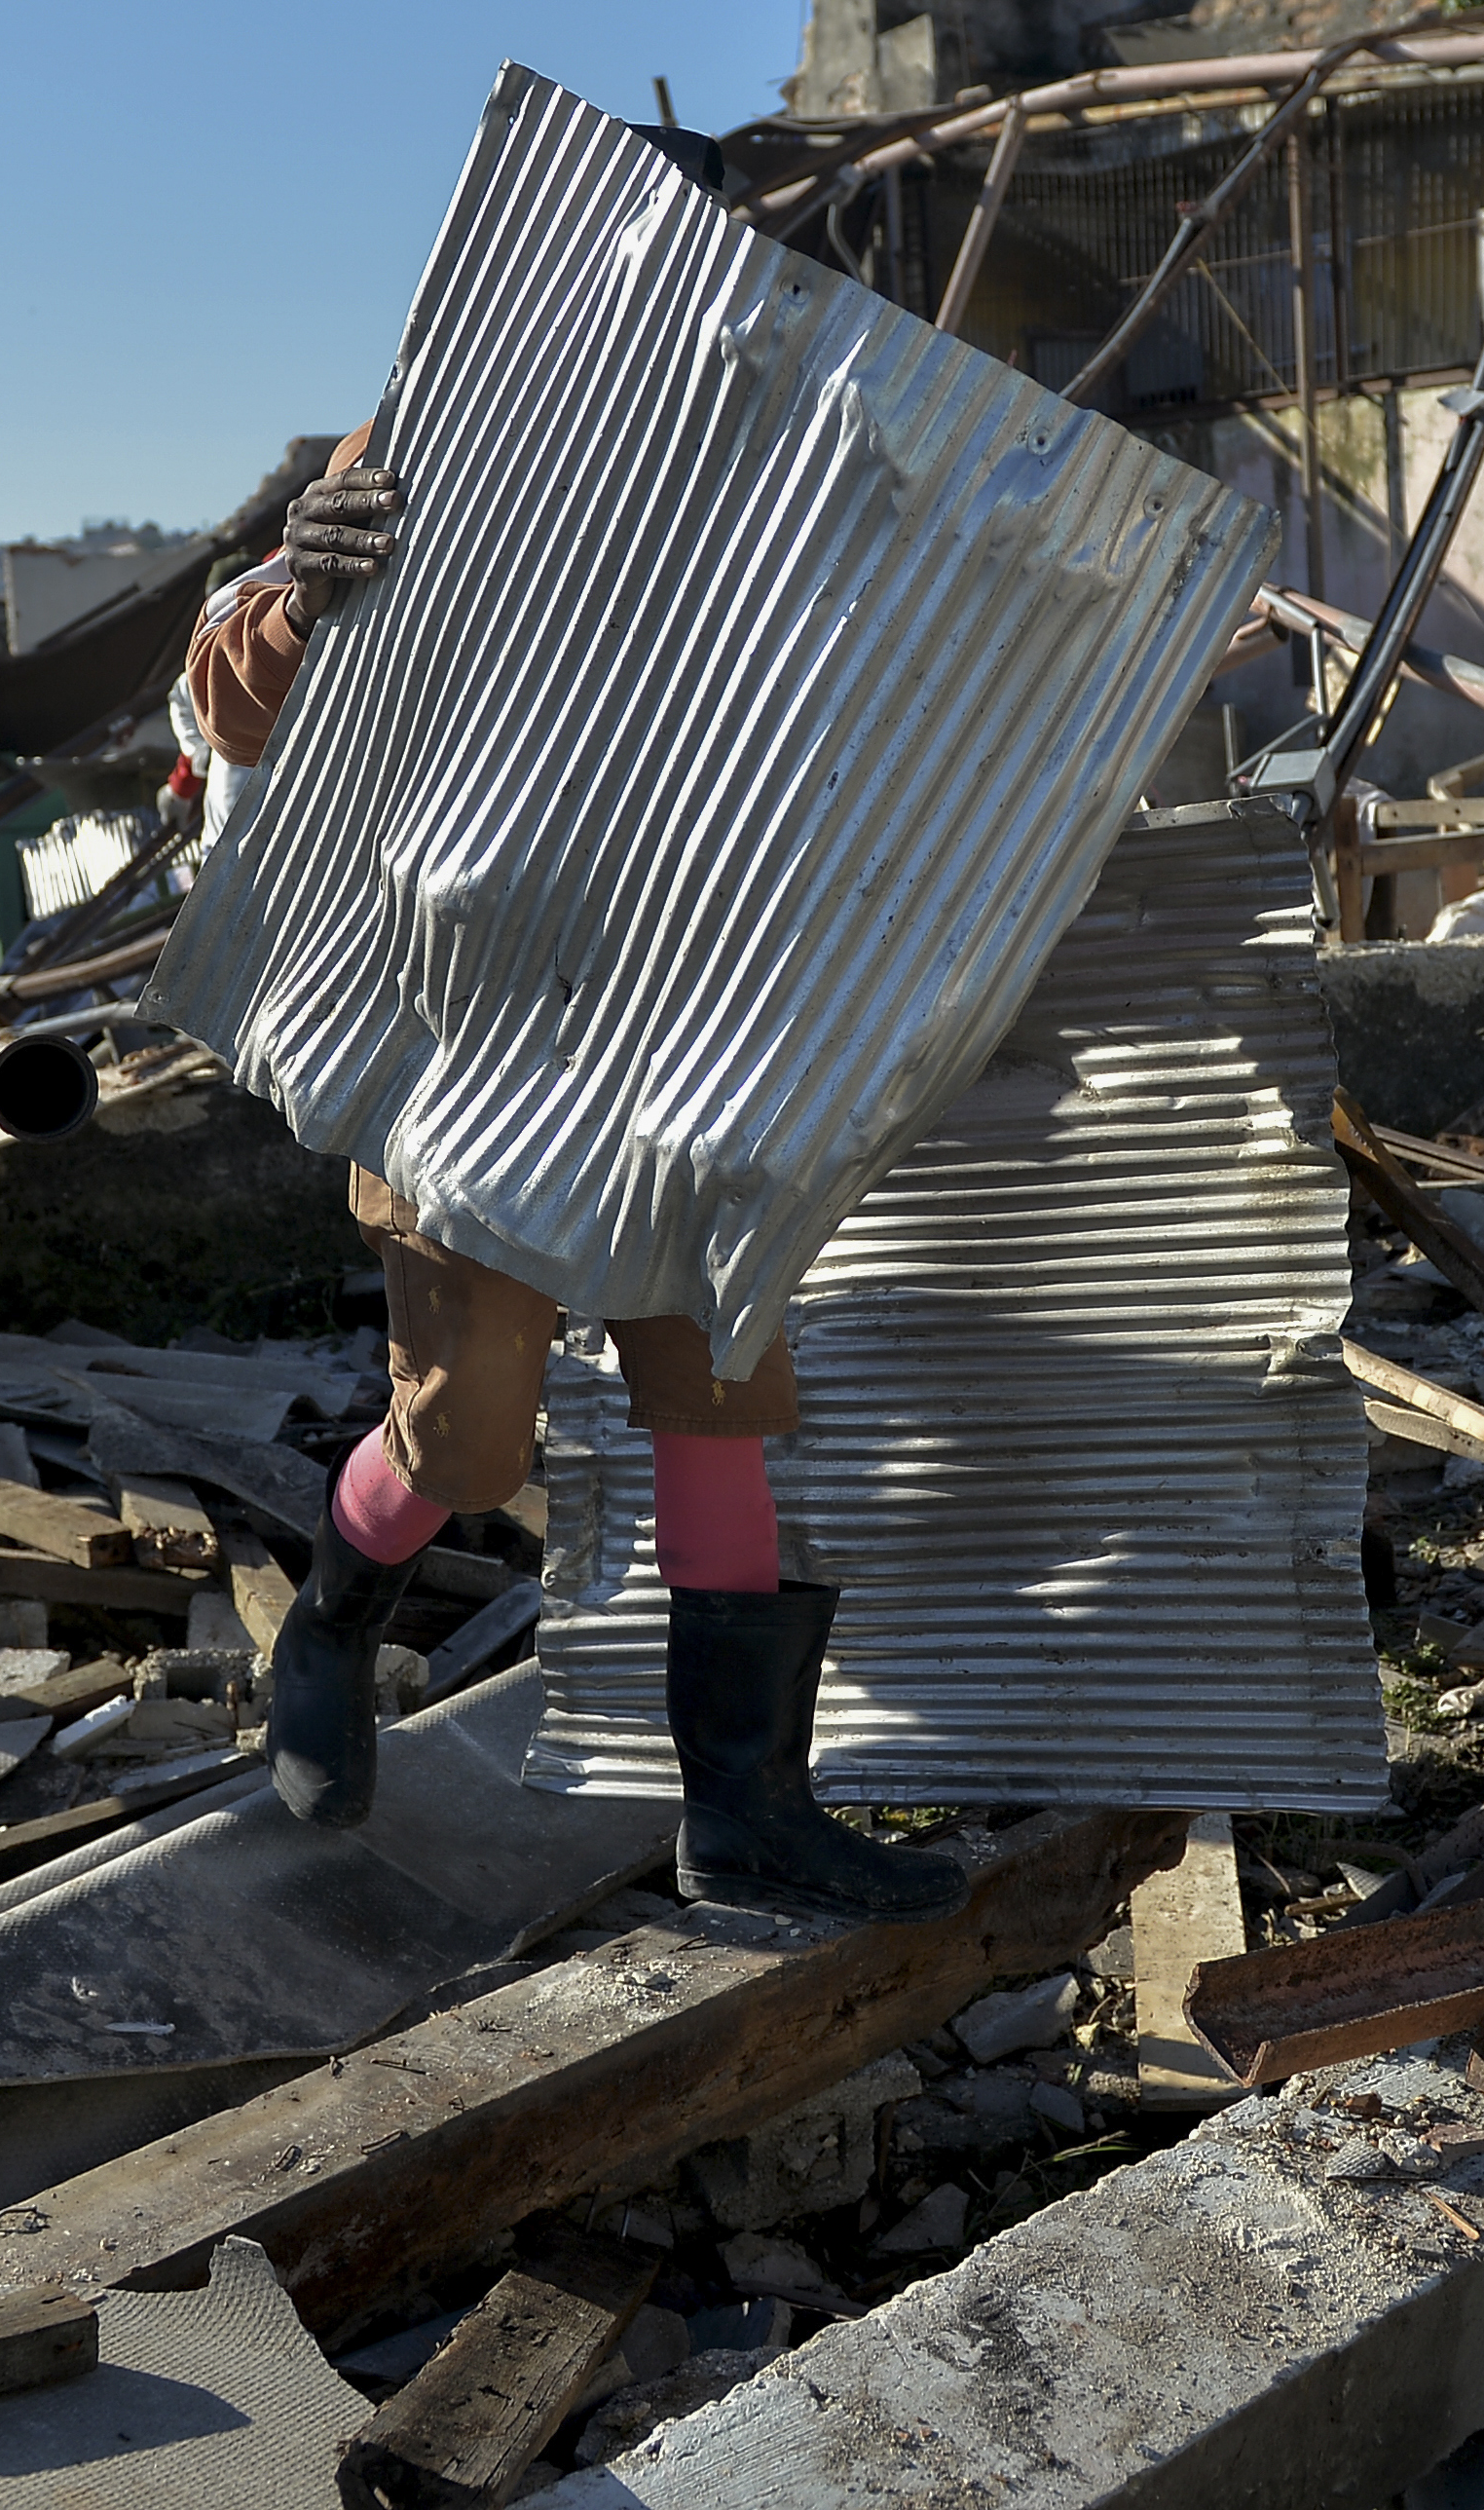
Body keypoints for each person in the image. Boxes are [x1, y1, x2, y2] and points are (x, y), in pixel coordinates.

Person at [184, 415, 969, 1929]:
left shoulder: (773, 440)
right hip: (459, 1037)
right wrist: (297, 599)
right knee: (466, 1442)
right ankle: (327, 1634)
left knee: (718, 1395)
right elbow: (228, 696)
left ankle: (742, 1814)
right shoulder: (441, 412)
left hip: (677, 1028)